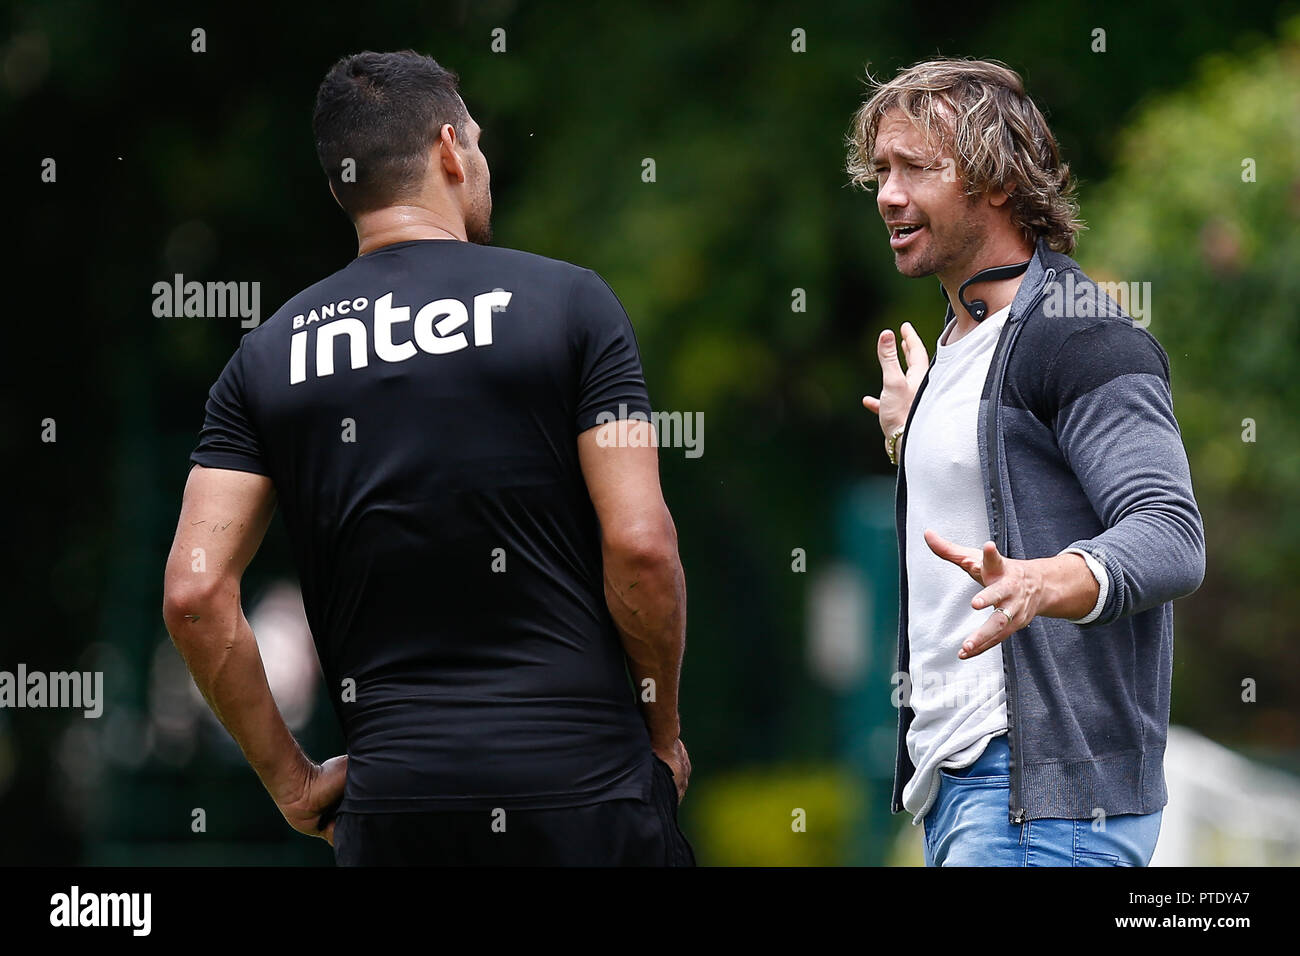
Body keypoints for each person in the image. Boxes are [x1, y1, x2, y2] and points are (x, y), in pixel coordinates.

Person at [161, 49, 693, 866]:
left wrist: (294, 783)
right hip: (586, 790)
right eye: (475, 143)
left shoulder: (266, 359)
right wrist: (661, 731)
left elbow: (195, 592)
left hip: (398, 808)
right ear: (450, 149)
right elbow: (641, 545)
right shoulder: (570, 303)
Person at [849, 58, 1205, 866]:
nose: (889, 195)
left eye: (916, 169)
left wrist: (1044, 581)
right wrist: (921, 436)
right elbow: (1010, 490)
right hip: (970, 793)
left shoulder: (1078, 336)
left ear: (998, 183)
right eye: (881, 170)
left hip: (1042, 803)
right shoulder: (963, 350)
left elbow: (1170, 533)